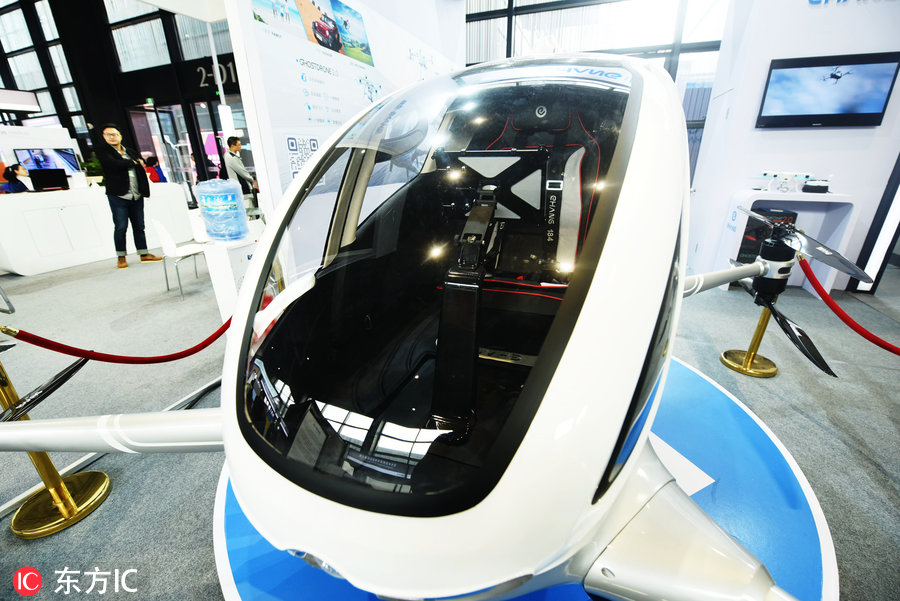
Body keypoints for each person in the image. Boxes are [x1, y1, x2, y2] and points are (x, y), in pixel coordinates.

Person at [95, 124, 162, 269]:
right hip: (118, 195)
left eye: (114, 134)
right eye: (108, 134)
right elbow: (113, 164)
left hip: (136, 194)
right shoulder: (103, 152)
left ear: (120, 136)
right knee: (121, 226)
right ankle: (121, 257)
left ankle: (143, 253)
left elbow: (141, 166)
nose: (112, 137)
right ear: (104, 137)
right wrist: (132, 162)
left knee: (139, 226)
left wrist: (145, 191)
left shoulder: (130, 151)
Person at [222, 136, 258, 214]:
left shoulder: (230, 156)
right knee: (249, 212)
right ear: (232, 146)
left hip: (241, 189)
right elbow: (241, 172)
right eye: (238, 145)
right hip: (243, 190)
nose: (240, 146)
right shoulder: (231, 157)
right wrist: (251, 179)